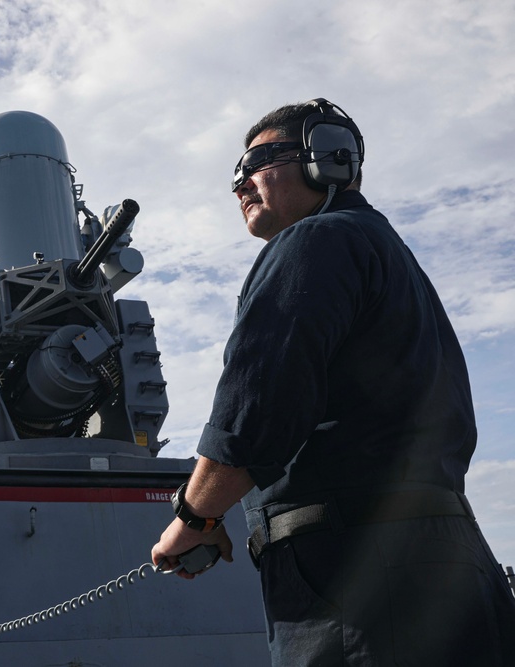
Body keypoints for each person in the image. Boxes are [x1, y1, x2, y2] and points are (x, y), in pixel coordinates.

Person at [151, 98, 515, 665]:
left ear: (330, 160)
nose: (239, 184)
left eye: (260, 161)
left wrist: (196, 517)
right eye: (235, 173)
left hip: (358, 576)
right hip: (447, 559)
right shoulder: (387, 254)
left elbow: (257, 405)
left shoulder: (312, 242)